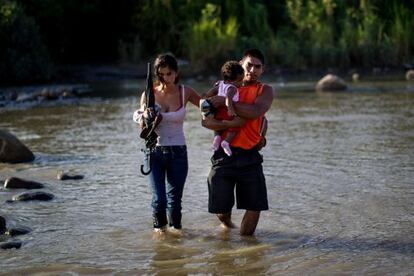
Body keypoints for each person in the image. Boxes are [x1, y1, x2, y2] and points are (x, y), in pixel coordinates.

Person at [201, 49, 273, 236]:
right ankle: (228, 226)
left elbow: (256, 111)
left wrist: (224, 103)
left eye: (258, 67)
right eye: (249, 65)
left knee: (255, 206)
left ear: (262, 70)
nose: (253, 70)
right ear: (240, 64)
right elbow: (205, 120)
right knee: (221, 209)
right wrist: (226, 122)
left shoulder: (264, 90)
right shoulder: (223, 86)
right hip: (224, 156)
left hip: (250, 155)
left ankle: (246, 245)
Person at [133, 53, 200, 234]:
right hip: (154, 152)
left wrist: (225, 92)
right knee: (159, 200)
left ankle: (176, 235)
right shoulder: (149, 94)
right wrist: (145, 116)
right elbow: (141, 125)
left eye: (169, 73)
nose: (166, 78)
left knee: (175, 201)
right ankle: (160, 236)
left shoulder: (186, 92)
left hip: (178, 152)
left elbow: (207, 106)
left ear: (176, 73)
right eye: (161, 74)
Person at [202, 60, 245, 156]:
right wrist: (230, 109)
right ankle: (226, 142)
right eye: (240, 80)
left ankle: (217, 137)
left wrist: (206, 96)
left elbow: (212, 91)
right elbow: (228, 98)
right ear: (232, 81)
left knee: (218, 128)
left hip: (218, 112)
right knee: (235, 126)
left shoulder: (220, 84)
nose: (242, 82)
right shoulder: (233, 88)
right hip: (226, 111)